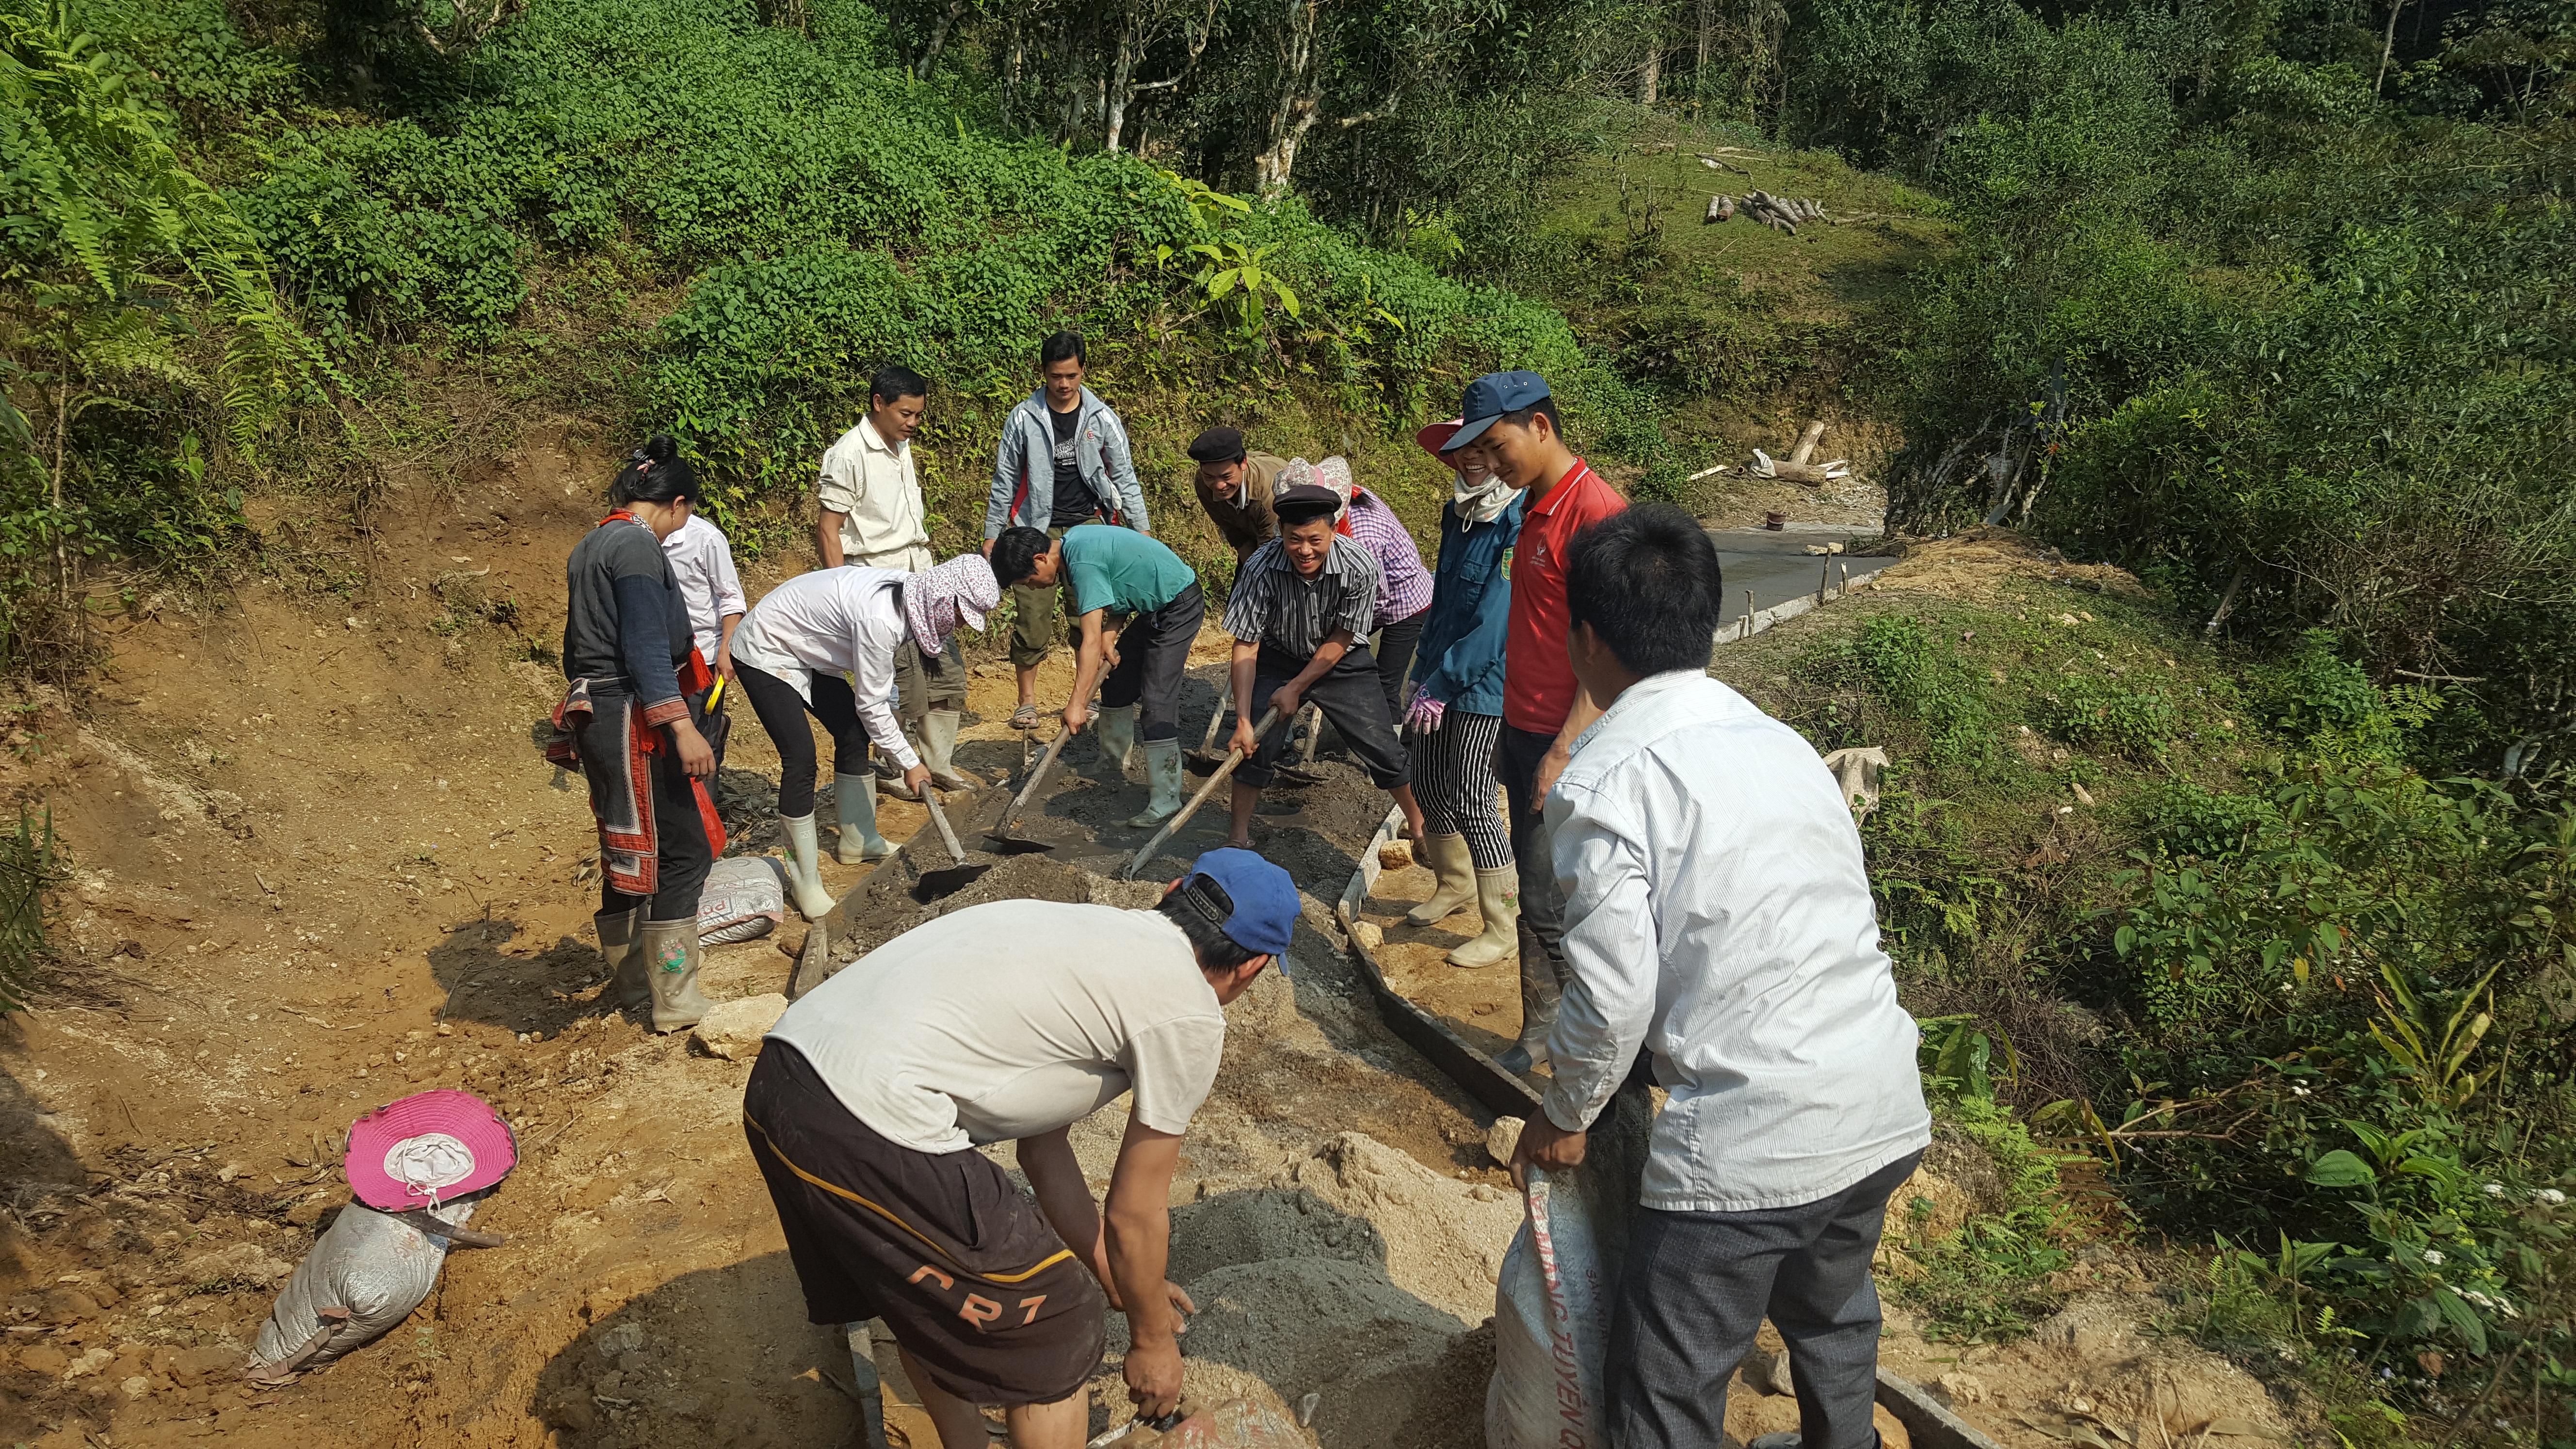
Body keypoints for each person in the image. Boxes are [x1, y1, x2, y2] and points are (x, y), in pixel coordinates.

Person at [1507, 504, 1931, 1449]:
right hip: (1878, 1104)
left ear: (1585, 640)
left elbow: (1612, 998)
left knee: (1666, 1382)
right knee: (1831, 1315)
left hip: (1754, 1137)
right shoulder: (1778, 743)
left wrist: (1564, 1115)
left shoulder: (1602, 779)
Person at [747, 850, 1300, 1449]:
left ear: (1170, 891)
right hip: (871, 1118)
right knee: (1058, 1328)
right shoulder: (1188, 1014)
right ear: (1254, 968)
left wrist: (1114, 1275)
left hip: (783, 1079)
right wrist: (1151, 1342)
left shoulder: (1088, 932)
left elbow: (1043, 1151)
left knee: (927, 1302)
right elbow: (1135, 1210)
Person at [1438, 370, 1626, 1073]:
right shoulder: (1532, 509)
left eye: (1498, 442)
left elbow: (1615, 649)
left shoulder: (1596, 513)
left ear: (1539, 427)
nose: (1492, 460)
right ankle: (1541, 1028)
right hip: (1523, 729)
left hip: (1570, 740)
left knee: (1562, 900)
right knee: (1537, 897)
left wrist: (1565, 746)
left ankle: (1597, 1051)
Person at [553, 436, 724, 1033]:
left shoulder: (592, 543)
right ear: (676, 504)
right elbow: (647, 648)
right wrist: (681, 727)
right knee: (684, 850)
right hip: (632, 714)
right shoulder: (637, 548)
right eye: (687, 514)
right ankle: (674, 997)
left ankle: (630, 983)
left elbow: (576, 647)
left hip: (600, 713)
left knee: (628, 844)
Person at [729, 554, 1001, 918]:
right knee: (801, 758)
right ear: (943, 597)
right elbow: (872, 704)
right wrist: (910, 762)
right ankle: (806, 882)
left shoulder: (910, 595)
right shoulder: (880, 619)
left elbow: (872, 701)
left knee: (854, 734)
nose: (959, 626)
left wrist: (902, 752)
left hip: (810, 648)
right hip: (767, 647)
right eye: (959, 614)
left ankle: (859, 842)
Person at [1220, 484, 1427, 851]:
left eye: (1315, 539)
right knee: (1254, 748)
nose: (1304, 550)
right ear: (1280, 533)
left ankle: (1420, 826)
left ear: (1334, 530)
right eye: (1294, 539)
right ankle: (1237, 839)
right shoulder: (1260, 567)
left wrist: (1297, 687)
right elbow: (1247, 644)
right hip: (1278, 654)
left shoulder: (1359, 565)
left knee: (1380, 744)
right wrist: (1243, 720)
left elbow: (1343, 637)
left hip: (1340, 659)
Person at [817, 365, 979, 796]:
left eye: (918, 415)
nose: (913, 423)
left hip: (919, 575)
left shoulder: (900, 445)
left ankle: (937, 763)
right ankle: (895, 766)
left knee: (943, 671)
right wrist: (840, 589)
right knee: (894, 683)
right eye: (905, 414)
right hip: (876, 582)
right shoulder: (849, 454)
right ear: (878, 405)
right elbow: (829, 528)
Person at [1398, 420, 1524, 969]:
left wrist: (1445, 683)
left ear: (1497, 455)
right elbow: (1443, 594)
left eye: (1480, 451)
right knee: (1426, 778)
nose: (1470, 461)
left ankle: (1502, 924)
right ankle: (1454, 884)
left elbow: (1496, 622)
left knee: (1474, 796)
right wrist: (1421, 669)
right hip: (1436, 673)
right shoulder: (1458, 511)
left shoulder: (1514, 520)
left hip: (1480, 684)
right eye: (1460, 453)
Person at [984, 332, 1151, 732]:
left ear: (1083, 372)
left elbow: (1124, 475)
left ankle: (1086, 697)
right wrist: (993, 533)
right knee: (1032, 617)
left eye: (1072, 376)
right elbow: (1005, 477)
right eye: (1057, 376)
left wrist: (1141, 527)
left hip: (1089, 525)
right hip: (1033, 528)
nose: (1064, 384)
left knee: (1087, 616)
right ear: (1043, 373)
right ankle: (1026, 702)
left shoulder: (1101, 418)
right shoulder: (1023, 418)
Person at [991, 525, 1205, 828]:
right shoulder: (1074, 545)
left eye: (1028, 580)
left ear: (1041, 559)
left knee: (1157, 700)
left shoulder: (1082, 563)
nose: (1033, 587)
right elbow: (1124, 582)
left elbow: (1088, 643)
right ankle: (1113, 761)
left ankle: (1167, 799)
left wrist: (1077, 704)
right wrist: (1111, 634)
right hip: (1152, 608)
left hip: (1178, 606)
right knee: (1116, 683)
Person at [1302, 456, 1434, 723]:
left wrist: (1340, 633)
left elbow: (1376, 599)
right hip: (1379, 597)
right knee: (1324, 656)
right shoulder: (1342, 510)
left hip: (1407, 602)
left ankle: (1395, 755)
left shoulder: (1364, 537)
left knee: (1384, 684)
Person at [660, 496, 747, 771]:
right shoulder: (638, 537)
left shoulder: (706, 539)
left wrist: (726, 651)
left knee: (701, 744)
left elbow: (731, 598)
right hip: (658, 659)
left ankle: (704, 811)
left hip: (701, 657)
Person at [1185, 426, 1288, 566]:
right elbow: (1233, 532)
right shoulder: (1203, 484)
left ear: (1243, 463)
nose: (1219, 486)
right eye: (1210, 477)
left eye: (1226, 476)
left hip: (1287, 536)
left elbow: (1269, 552)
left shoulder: (1269, 492)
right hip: (1253, 531)